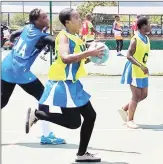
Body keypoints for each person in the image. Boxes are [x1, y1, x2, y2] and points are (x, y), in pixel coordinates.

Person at [25, 8, 104, 162]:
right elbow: (66, 58)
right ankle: (38, 114)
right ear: (67, 22)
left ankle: (82, 154)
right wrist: (89, 53)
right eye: (76, 17)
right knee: (74, 122)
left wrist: (95, 54)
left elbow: (79, 60)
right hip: (63, 84)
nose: (80, 20)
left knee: (90, 116)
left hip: (73, 84)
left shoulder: (77, 38)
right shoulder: (63, 37)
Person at [1, 8, 65, 145]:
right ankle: (46, 135)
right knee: (44, 97)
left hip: (6, 67)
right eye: (44, 17)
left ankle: (46, 133)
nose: (47, 18)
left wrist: (12, 42)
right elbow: (57, 44)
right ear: (36, 21)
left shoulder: (27, 28)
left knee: (3, 101)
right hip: (20, 71)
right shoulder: (42, 37)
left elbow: (14, 35)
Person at [119, 16, 150, 129]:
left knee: (144, 95)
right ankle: (129, 120)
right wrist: (141, 66)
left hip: (142, 69)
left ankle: (124, 108)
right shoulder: (135, 39)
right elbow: (129, 56)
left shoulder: (146, 38)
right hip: (134, 70)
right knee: (136, 96)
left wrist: (143, 66)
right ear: (143, 26)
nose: (150, 26)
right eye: (149, 24)